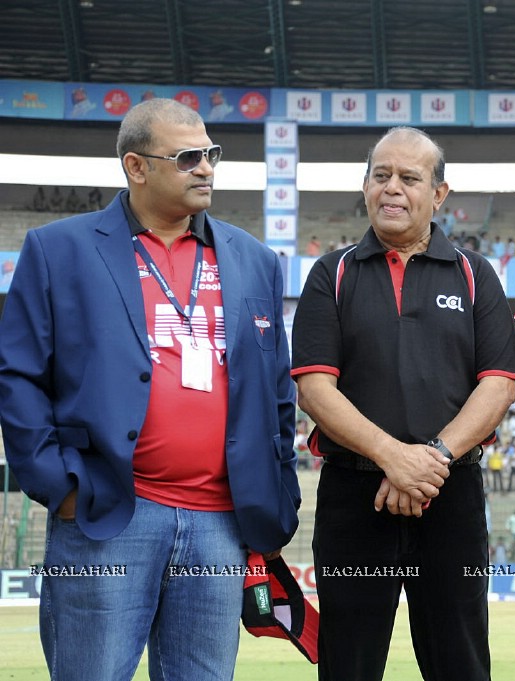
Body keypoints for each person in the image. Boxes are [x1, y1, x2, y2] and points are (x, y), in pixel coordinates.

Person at [0, 98, 300, 680]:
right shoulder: (58, 249)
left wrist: (277, 490)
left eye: (210, 154)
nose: (207, 168)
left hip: (219, 522)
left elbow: (275, 391)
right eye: (187, 157)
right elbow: (19, 377)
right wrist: (58, 487)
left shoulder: (255, 260)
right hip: (108, 512)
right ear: (137, 167)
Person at [289, 126, 515, 680]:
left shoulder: (474, 274)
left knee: (459, 662)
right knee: (348, 663)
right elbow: (315, 387)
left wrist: (428, 460)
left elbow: (499, 385)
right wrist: (393, 456)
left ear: (439, 194)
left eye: (409, 178)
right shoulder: (332, 273)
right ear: (365, 186)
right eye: (380, 175)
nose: (392, 188)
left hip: (451, 496)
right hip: (353, 497)